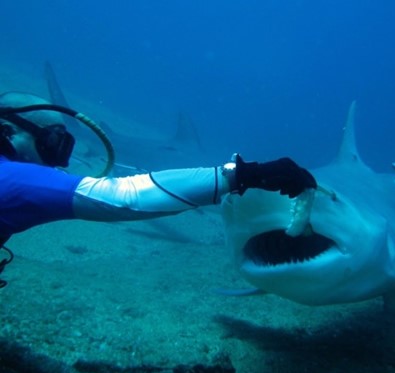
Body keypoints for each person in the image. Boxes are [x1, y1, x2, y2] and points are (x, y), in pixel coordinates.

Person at [0, 92, 317, 287]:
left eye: (64, 146)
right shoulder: (9, 179)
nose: (56, 161)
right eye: (51, 144)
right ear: (7, 132)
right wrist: (244, 175)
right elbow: (124, 198)